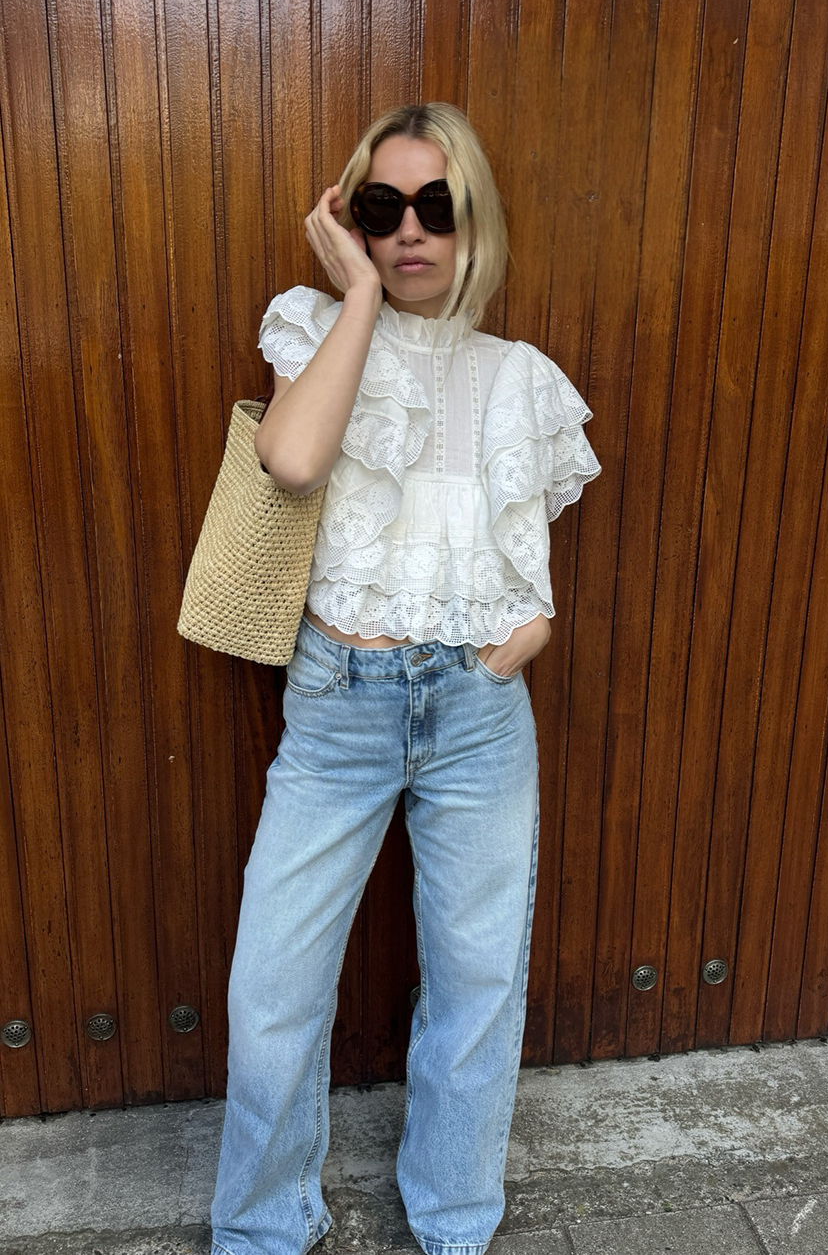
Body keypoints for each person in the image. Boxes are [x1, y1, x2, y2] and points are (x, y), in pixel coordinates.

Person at [209, 101, 601, 1255]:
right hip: (340, 706)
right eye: (383, 209)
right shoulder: (316, 327)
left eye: (438, 205)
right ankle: (260, 1229)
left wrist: (530, 625)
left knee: (477, 988)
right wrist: (360, 298)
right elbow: (289, 461)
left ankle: (454, 1221)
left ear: (473, 218)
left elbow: (522, 556)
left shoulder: (522, 378)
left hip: (477, 714)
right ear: (352, 223)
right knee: (273, 990)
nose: (412, 230)